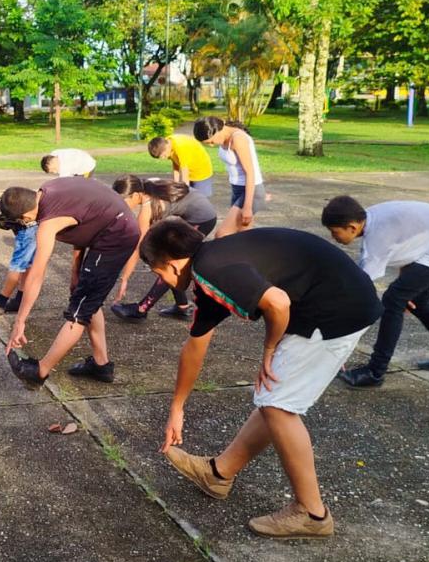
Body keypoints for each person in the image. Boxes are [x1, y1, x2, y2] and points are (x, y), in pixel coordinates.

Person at [141, 219, 381, 538]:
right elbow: (196, 344)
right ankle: (218, 474)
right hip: (334, 299)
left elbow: (278, 303)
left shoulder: (213, 268)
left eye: (156, 271)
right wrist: (177, 408)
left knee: (278, 407)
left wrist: (269, 347)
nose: (160, 279)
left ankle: (312, 514)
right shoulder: (210, 265)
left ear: (170, 265)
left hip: (336, 311)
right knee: (273, 398)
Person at [0, 178, 139, 389]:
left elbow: (36, 275)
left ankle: (39, 371)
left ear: (25, 217)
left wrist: (20, 321)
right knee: (88, 300)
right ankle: (101, 365)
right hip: (111, 229)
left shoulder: (48, 222)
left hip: (117, 237)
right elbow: (87, 218)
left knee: (79, 311)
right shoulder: (48, 189)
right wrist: (76, 272)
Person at [322, 196, 429, 388]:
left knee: (393, 300)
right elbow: (409, 238)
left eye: (335, 232)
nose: (333, 237)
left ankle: (375, 372)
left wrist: (336, 339)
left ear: (352, 227)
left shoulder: (377, 236)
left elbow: (360, 285)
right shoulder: (370, 218)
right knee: (419, 303)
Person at [108, 175, 218, 321]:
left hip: (202, 218)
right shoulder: (148, 183)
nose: (121, 206)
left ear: (134, 195)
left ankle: (141, 309)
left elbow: (138, 247)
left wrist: (125, 279)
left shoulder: (148, 208)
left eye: (123, 201)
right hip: (197, 211)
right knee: (168, 252)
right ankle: (182, 307)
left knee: (169, 262)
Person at [193, 116, 265, 236]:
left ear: (217, 130)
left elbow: (250, 172)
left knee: (222, 235)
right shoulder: (225, 136)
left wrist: (247, 206)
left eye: (211, 141)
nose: (211, 145)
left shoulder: (238, 139)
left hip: (250, 191)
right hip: (237, 189)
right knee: (243, 236)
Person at [147, 132, 215, 196]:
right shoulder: (166, 143)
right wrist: (175, 184)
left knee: (199, 199)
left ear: (167, 147)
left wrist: (184, 193)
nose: (163, 158)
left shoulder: (180, 147)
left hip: (201, 171)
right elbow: (176, 164)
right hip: (189, 171)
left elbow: (184, 174)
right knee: (189, 199)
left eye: (163, 155)